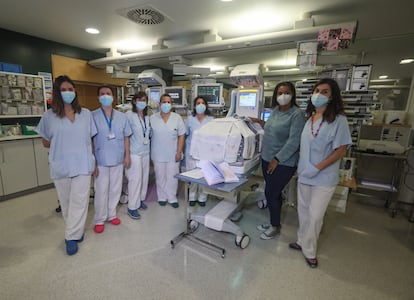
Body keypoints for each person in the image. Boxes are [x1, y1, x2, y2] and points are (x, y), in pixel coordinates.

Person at [289, 78, 352, 268]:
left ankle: (310, 250)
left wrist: (318, 167)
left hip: (324, 177)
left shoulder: (339, 120)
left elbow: (341, 150)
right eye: (317, 90)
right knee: (303, 211)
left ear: (332, 96)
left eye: (324, 91)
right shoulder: (310, 119)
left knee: (316, 215)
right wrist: (305, 168)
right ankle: (301, 241)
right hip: (305, 174)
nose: (319, 94)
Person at [36, 75, 97, 255]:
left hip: (83, 164)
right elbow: (45, 142)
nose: (67, 93)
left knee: (80, 201)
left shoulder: (85, 114)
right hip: (61, 165)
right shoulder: (49, 116)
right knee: (67, 202)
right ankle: (75, 231)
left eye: (70, 89)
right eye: (63, 90)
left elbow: (90, 140)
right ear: (57, 93)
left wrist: (93, 161)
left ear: (75, 91)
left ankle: (70, 237)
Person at [253, 81, 305, 240]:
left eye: (286, 92)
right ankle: (273, 222)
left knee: (271, 193)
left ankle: (275, 226)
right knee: (272, 193)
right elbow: (272, 127)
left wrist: (277, 159)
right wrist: (258, 122)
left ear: (292, 94)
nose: (283, 96)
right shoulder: (275, 111)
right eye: (280, 93)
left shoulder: (297, 114)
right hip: (267, 158)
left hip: (283, 162)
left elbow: (294, 141)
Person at [92, 85, 132, 233]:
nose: (105, 96)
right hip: (100, 158)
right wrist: (92, 161)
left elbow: (126, 137)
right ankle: (99, 219)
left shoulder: (122, 117)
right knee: (101, 189)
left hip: (118, 158)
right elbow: (89, 139)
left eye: (108, 93)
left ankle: (111, 214)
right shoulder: (92, 116)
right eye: (102, 94)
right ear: (98, 97)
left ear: (113, 97)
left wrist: (127, 155)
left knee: (116, 188)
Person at [150, 93, 185, 208]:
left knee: (173, 176)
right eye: (164, 102)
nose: (166, 104)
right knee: (160, 176)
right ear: (159, 104)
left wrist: (179, 151)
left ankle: (172, 197)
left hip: (173, 153)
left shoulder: (177, 118)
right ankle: (162, 197)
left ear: (172, 104)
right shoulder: (152, 118)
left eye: (169, 102)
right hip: (158, 153)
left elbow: (181, 135)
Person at [125, 91, 152, 219]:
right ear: (134, 101)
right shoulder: (129, 115)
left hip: (145, 151)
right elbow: (125, 135)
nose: (142, 102)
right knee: (135, 180)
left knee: (144, 178)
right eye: (140, 100)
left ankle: (140, 200)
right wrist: (127, 155)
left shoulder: (147, 117)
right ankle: (132, 207)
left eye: (144, 100)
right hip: (134, 152)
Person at [185, 96, 214, 207]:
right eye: (198, 103)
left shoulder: (211, 120)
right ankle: (192, 196)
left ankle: (202, 197)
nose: (200, 105)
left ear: (206, 105)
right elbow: (186, 134)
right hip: (191, 153)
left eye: (202, 103)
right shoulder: (190, 120)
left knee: (203, 176)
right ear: (195, 106)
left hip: (205, 153)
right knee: (192, 177)